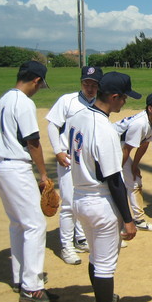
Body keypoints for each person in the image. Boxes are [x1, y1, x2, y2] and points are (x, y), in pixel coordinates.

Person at [67, 71, 140, 302]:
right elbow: (115, 180)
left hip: (79, 196)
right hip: (100, 201)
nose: (124, 103)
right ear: (113, 96)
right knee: (105, 264)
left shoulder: (77, 117)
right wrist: (129, 220)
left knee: (96, 257)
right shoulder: (105, 129)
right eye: (123, 98)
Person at [0, 61, 57, 302]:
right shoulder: (24, 102)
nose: (38, 90)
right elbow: (33, 142)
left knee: (18, 224)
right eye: (40, 85)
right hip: (17, 169)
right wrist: (43, 174)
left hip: (1, 166)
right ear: (36, 81)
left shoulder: (5, 98)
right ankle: (32, 287)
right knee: (35, 225)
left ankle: (21, 278)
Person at [46, 66, 103, 265]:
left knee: (83, 199)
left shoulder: (100, 103)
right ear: (81, 83)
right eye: (86, 83)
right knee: (69, 204)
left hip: (87, 161)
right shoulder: (67, 100)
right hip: (69, 159)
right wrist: (57, 151)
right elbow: (52, 125)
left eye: (94, 84)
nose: (90, 88)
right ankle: (66, 246)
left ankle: (80, 238)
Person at [113, 92, 152, 232]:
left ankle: (138, 220)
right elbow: (126, 149)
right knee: (114, 185)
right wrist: (117, 172)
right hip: (111, 147)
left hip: (121, 148)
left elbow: (144, 144)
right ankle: (114, 224)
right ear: (150, 108)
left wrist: (134, 166)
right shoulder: (140, 124)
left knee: (135, 181)